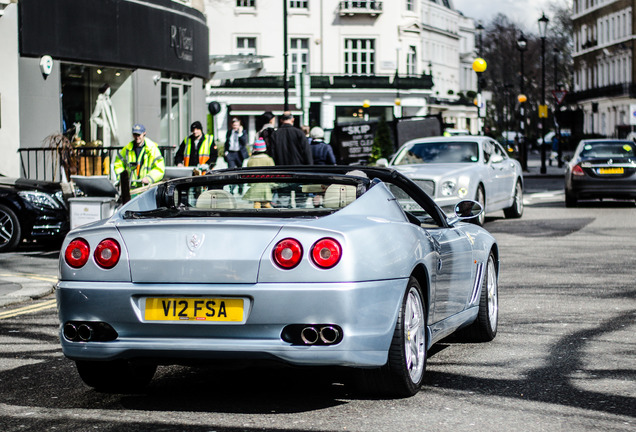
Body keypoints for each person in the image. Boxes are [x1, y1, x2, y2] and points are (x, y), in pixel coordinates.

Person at [113, 124, 165, 189]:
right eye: (135, 134)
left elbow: (159, 168)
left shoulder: (152, 149)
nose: (137, 137)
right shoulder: (127, 149)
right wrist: (122, 177)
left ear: (144, 134)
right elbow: (118, 164)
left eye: (139, 135)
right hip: (131, 188)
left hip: (147, 188)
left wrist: (149, 178)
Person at [243, 137, 275, 208]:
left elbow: (248, 173)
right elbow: (273, 173)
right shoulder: (269, 159)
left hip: (254, 186)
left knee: (256, 204)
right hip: (266, 186)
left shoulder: (251, 160)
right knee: (266, 204)